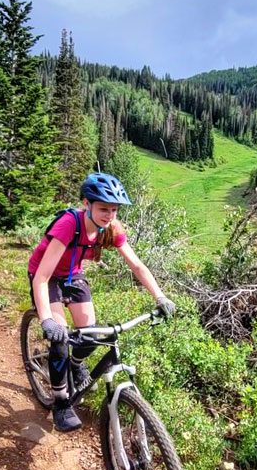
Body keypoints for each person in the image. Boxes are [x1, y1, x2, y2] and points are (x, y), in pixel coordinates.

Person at [27, 173, 176, 432]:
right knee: (60, 339)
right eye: (104, 209)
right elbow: (42, 277)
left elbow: (137, 266)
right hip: (46, 276)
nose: (109, 215)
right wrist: (47, 320)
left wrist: (160, 296)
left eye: (114, 210)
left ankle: (76, 365)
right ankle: (61, 402)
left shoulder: (112, 229)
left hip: (73, 275)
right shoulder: (68, 225)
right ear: (87, 203)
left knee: (91, 333)